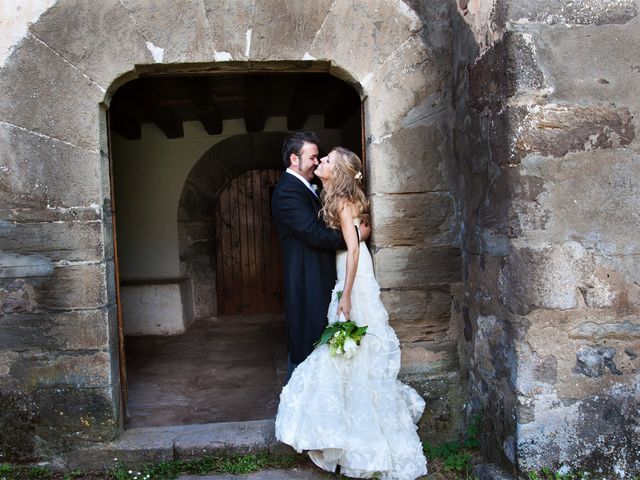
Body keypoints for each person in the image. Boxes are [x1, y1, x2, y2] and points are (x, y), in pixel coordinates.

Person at [275, 147, 428, 480]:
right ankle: (346, 422)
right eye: (320, 157)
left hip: (353, 275)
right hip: (346, 271)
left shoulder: (343, 201)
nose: (321, 162)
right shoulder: (332, 195)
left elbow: (354, 249)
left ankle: (354, 430)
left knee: (347, 345)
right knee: (348, 349)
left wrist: (346, 294)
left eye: (327, 160)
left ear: (339, 170)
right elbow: (347, 238)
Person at [271, 131, 369, 378]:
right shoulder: (287, 192)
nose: (317, 161)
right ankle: (299, 397)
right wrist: (356, 237)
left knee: (324, 335)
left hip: (324, 273)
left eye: (321, 159)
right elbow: (314, 233)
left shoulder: (311, 188)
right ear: (295, 159)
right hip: (307, 277)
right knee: (307, 340)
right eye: (313, 157)